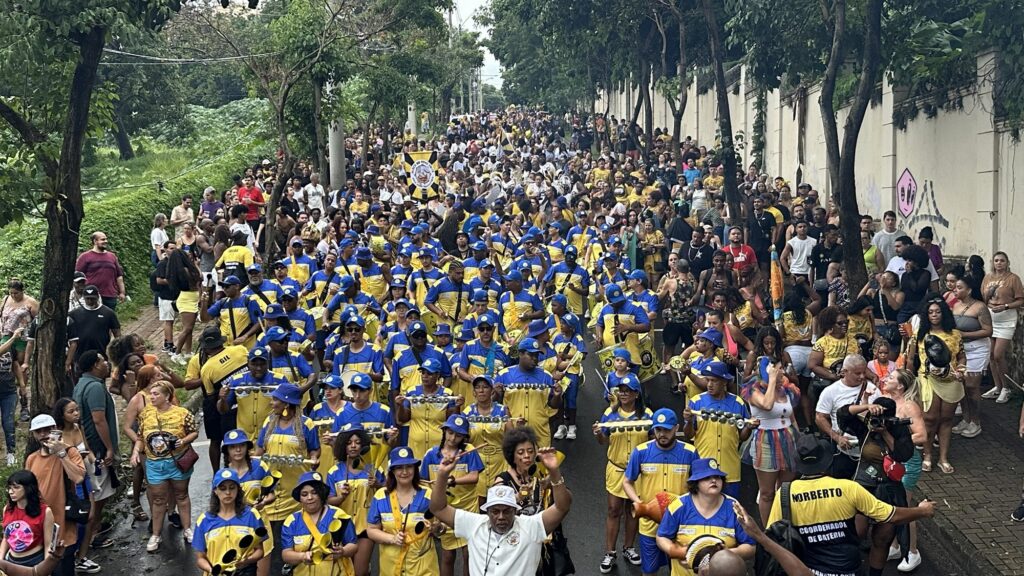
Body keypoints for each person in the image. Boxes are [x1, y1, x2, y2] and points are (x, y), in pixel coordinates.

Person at [768, 434, 935, 576]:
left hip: (807, 570)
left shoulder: (785, 493)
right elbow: (891, 515)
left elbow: (772, 538)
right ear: (827, 461)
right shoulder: (848, 488)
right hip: (847, 570)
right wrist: (922, 511)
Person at [427, 444, 572, 576]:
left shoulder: (531, 527)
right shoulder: (474, 524)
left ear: (515, 511)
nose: (501, 517)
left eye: (507, 511)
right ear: (487, 511)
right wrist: (442, 475)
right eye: (495, 511)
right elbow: (438, 508)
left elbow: (561, 507)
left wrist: (553, 471)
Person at [623, 408, 701, 576]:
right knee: (649, 570)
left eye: (666, 429)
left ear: (676, 428)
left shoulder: (690, 453)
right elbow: (627, 482)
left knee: (681, 569)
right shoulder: (641, 451)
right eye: (658, 429)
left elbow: (698, 486)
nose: (662, 434)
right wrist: (638, 502)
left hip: (681, 525)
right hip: (650, 525)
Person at [253, 382, 321, 572]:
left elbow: (315, 450)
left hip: (294, 491)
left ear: (287, 403)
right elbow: (260, 449)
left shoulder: (306, 424)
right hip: (270, 490)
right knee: (269, 538)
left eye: (276, 399)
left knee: (291, 535)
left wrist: (314, 460)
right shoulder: (269, 422)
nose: (272, 402)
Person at [655, 457, 755, 575]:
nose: (713, 480)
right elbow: (661, 537)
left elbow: (751, 547)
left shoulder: (734, 508)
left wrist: (724, 555)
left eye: (717, 477)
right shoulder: (679, 506)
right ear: (695, 483)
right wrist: (676, 551)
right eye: (707, 477)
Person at [131, 380, 199, 551]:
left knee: (181, 495)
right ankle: (156, 534)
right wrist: (135, 452)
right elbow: (140, 437)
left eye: (156, 394)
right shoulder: (146, 414)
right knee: (159, 499)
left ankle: (187, 529)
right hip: (155, 464)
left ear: (167, 396)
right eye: (151, 394)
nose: (152, 397)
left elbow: (194, 432)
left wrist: (182, 441)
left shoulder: (182, 413)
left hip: (177, 461)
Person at [594, 375, 651, 573]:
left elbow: (653, 441)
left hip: (639, 473)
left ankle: (629, 547)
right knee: (613, 510)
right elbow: (603, 441)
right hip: (616, 468)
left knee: (633, 510)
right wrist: (599, 434)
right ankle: (610, 552)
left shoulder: (647, 414)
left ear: (636, 393)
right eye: (621, 390)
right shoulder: (610, 413)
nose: (623, 394)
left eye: (628, 390)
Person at [906, 297, 966, 474]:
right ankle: (927, 455)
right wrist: (909, 379)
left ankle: (943, 458)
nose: (934, 315)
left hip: (951, 380)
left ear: (944, 313)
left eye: (937, 311)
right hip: (927, 379)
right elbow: (910, 358)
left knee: (947, 419)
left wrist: (962, 369)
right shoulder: (919, 334)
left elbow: (961, 356)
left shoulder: (955, 334)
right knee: (930, 419)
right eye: (930, 312)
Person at [419, 415, 483, 576]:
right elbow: (423, 481)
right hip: (444, 511)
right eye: (451, 433)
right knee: (447, 555)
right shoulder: (431, 454)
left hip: (468, 508)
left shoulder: (468, 451)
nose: (453, 438)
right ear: (445, 431)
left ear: (464, 437)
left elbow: (474, 477)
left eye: (459, 435)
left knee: (469, 553)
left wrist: (453, 480)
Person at [682, 361, 757, 499]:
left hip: (730, 469)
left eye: (714, 381)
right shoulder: (696, 402)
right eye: (707, 380)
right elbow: (688, 435)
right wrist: (688, 421)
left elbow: (742, 437)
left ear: (724, 382)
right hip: (703, 469)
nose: (709, 384)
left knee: (731, 509)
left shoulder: (738, 402)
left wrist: (749, 427)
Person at [70, 351, 118, 565]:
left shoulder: (81, 383)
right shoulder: (95, 387)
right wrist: (109, 448)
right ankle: (90, 538)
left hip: (88, 450)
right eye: (101, 360)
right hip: (96, 453)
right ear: (94, 365)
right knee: (98, 496)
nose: (106, 363)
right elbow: (99, 420)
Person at [25, 414, 85, 576]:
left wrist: (61, 454)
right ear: (35, 434)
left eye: (48, 430)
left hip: (64, 527)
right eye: (39, 431)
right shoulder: (31, 459)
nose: (44, 434)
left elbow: (78, 477)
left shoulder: (70, 452)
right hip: (40, 527)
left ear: (55, 430)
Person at [366, 446, 438, 576]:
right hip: (391, 568)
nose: (404, 472)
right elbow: (371, 530)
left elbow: (441, 527)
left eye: (409, 467)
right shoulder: (381, 496)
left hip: (422, 567)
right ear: (392, 471)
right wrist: (392, 538)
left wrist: (436, 528)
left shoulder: (428, 494)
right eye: (399, 467)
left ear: (415, 469)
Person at [187, 326, 248, 468]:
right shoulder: (240, 350)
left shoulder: (207, 368)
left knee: (218, 440)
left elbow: (210, 395)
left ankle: (220, 474)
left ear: (206, 348)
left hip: (219, 404)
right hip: (245, 400)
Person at [192, 468, 271, 576]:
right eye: (223, 488)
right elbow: (200, 558)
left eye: (232, 488)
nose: (228, 492)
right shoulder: (204, 520)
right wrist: (213, 570)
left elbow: (260, 551)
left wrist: (246, 561)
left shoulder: (252, 515)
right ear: (215, 491)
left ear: (238, 489)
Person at [325, 424, 381, 576]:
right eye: (349, 443)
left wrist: (378, 484)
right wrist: (341, 497)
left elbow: (386, 494)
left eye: (357, 442)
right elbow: (329, 502)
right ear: (343, 446)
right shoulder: (334, 472)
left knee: (359, 571)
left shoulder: (373, 469)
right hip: (342, 527)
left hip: (365, 526)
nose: (353, 446)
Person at [814, 354, 879, 479]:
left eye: (863, 372)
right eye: (857, 373)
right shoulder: (831, 391)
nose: (862, 377)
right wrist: (837, 437)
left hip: (868, 450)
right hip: (843, 449)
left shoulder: (873, 389)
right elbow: (820, 417)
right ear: (844, 372)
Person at [281, 471, 358, 575]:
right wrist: (303, 556)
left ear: (321, 493)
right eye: (304, 494)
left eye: (314, 492)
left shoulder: (339, 515)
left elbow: (353, 545)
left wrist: (342, 551)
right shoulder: (291, 521)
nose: (309, 498)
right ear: (299, 498)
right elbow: (286, 554)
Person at [494, 338, 561, 444]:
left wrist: (557, 396)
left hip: (540, 434)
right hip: (513, 434)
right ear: (520, 354)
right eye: (531, 355)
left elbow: (554, 406)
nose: (535, 358)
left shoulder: (546, 376)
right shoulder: (504, 375)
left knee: (543, 460)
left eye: (537, 355)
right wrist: (496, 394)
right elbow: (495, 406)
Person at [949, 275, 991, 438]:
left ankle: (976, 421)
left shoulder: (980, 307)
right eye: (955, 287)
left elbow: (988, 330)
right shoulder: (955, 306)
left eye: (960, 287)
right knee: (961, 386)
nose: (956, 290)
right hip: (961, 351)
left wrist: (965, 334)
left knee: (972, 386)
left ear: (969, 290)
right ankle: (966, 418)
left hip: (977, 349)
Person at [980, 251, 1024, 404]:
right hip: (990, 317)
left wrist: (1006, 306)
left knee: (999, 354)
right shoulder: (988, 278)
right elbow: (983, 298)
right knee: (991, 355)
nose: (999, 263)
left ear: (1007, 262)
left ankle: (1007, 388)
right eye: (996, 260)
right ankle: (997, 386)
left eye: (1002, 261)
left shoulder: (1013, 279)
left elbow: (1020, 300)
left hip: (1006, 319)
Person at [1, 470, 53, 568]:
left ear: (28, 488)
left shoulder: (45, 511)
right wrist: (1, 560)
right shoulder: (7, 509)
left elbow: (48, 544)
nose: (11, 491)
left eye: (16, 487)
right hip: (11, 561)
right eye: (9, 488)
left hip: (34, 562)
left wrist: (46, 568)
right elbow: (6, 538)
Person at [65, 286, 121, 378]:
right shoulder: (74, 314)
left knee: (99, 380)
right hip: (79, 355)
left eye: (92, 299)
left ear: (98, 297)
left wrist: (117, 355)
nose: (90, 301)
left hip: (99, 354)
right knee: (79, 380)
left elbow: (117, 335)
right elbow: (69, 335)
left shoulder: (108, 313)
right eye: (88, 299)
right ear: (84, 298)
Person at [75, 231, 127, 310]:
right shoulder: (85, 257)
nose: (105, 241)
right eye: (102, 239)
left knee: (108, 319)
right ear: (95, 241)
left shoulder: (112, 256)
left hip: (110, 295)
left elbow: (119, 276)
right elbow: (77, 277)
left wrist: (122, 292)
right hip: (91, 295)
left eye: (106, 239)